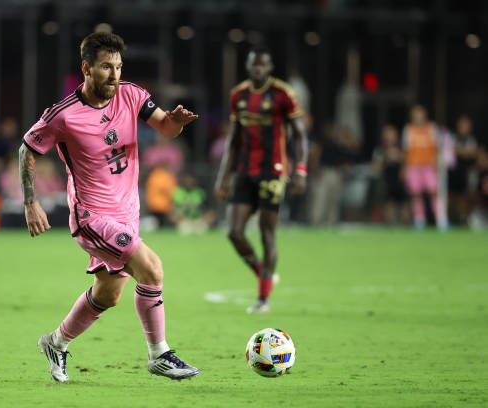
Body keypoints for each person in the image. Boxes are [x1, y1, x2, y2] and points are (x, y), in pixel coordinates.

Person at [19, 32, 199, 382]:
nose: (114, 74)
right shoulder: (63, 115)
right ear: (86, 68)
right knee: (152, 269)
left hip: (127, 214)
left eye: (118, 66)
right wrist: (30, 202)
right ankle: (159, 354)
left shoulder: (131, 94)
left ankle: (56, 342)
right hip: (91, 217)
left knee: (109, 294)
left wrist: (175, 123)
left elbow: (165, 126)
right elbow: (27, 149)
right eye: (105, 67)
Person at [214, 47, 308, 314]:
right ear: (248, 66)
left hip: (273, 171)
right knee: (234, 232)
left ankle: (263, 299)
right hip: (245, 170)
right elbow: (234, 140)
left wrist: (301, 170)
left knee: (267, 234)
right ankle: (263, 273)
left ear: (269, 67)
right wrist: (223, 177)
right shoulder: (239, 95)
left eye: (262, 64)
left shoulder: (282, 94)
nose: (258, 68)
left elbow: (299, 134)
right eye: (254, 64)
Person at [402, 105, 447, 230]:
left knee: (434, 193)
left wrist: (438, 166)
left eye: (420, 115)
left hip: (429, 166)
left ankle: (441, 219)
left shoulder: (431, 128)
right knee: (416, 194)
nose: (418, 117)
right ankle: (419, 220)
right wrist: (404, 169)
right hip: (413, 166)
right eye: (415, 115)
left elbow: (437, 148)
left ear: (424, 116)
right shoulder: (408, 130)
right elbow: (406, 151)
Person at [372, 125, 409, 224]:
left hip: (401, 182)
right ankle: (391, 226)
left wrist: (401, 160)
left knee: (404, 207)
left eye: (391, 134)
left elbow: (408, 163)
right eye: (386, 134)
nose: (388, 136)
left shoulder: (402, 148)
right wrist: (386, 159)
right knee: (389, 207)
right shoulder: (380, 150)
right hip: (387, 182)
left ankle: (405, 226)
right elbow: (376, 168)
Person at [448, 114, 478, 224]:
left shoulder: (471, 140)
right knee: (450, 197)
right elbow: (450, 151)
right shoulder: (452, 137)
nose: (464, 127)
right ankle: (450, 219)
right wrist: (463, 152)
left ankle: (463, 219)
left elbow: (473, 154)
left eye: (466, 125)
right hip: (452, 173)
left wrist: (459, 151)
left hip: (465, 173)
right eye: (462, 125)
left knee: (464, 197)